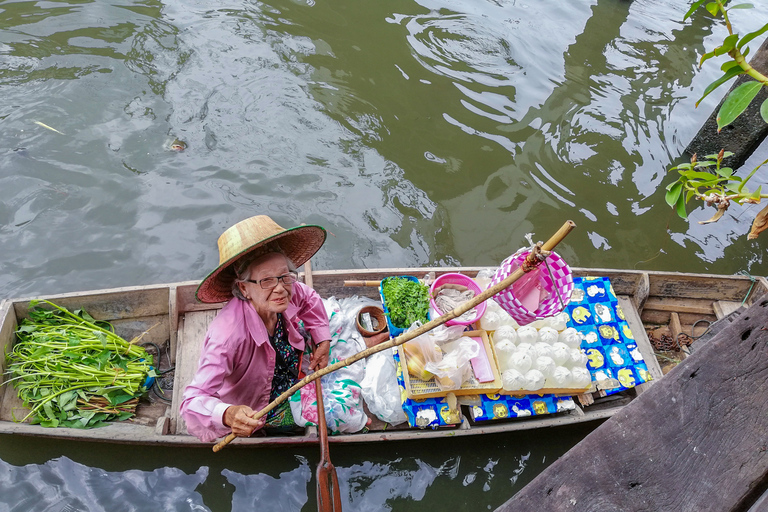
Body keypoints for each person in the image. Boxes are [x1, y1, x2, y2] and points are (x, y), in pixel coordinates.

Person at [180, 215, 331, 442]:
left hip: (290, 368)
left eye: (284, 276)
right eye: (266, 281)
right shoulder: (228, 337)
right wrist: (229, 414)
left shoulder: (288, 290)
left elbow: (309, 298)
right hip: (260, 403)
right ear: (244, 288)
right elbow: (191, 403)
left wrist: (322, 341)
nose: (280, 289)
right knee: (334, 417)